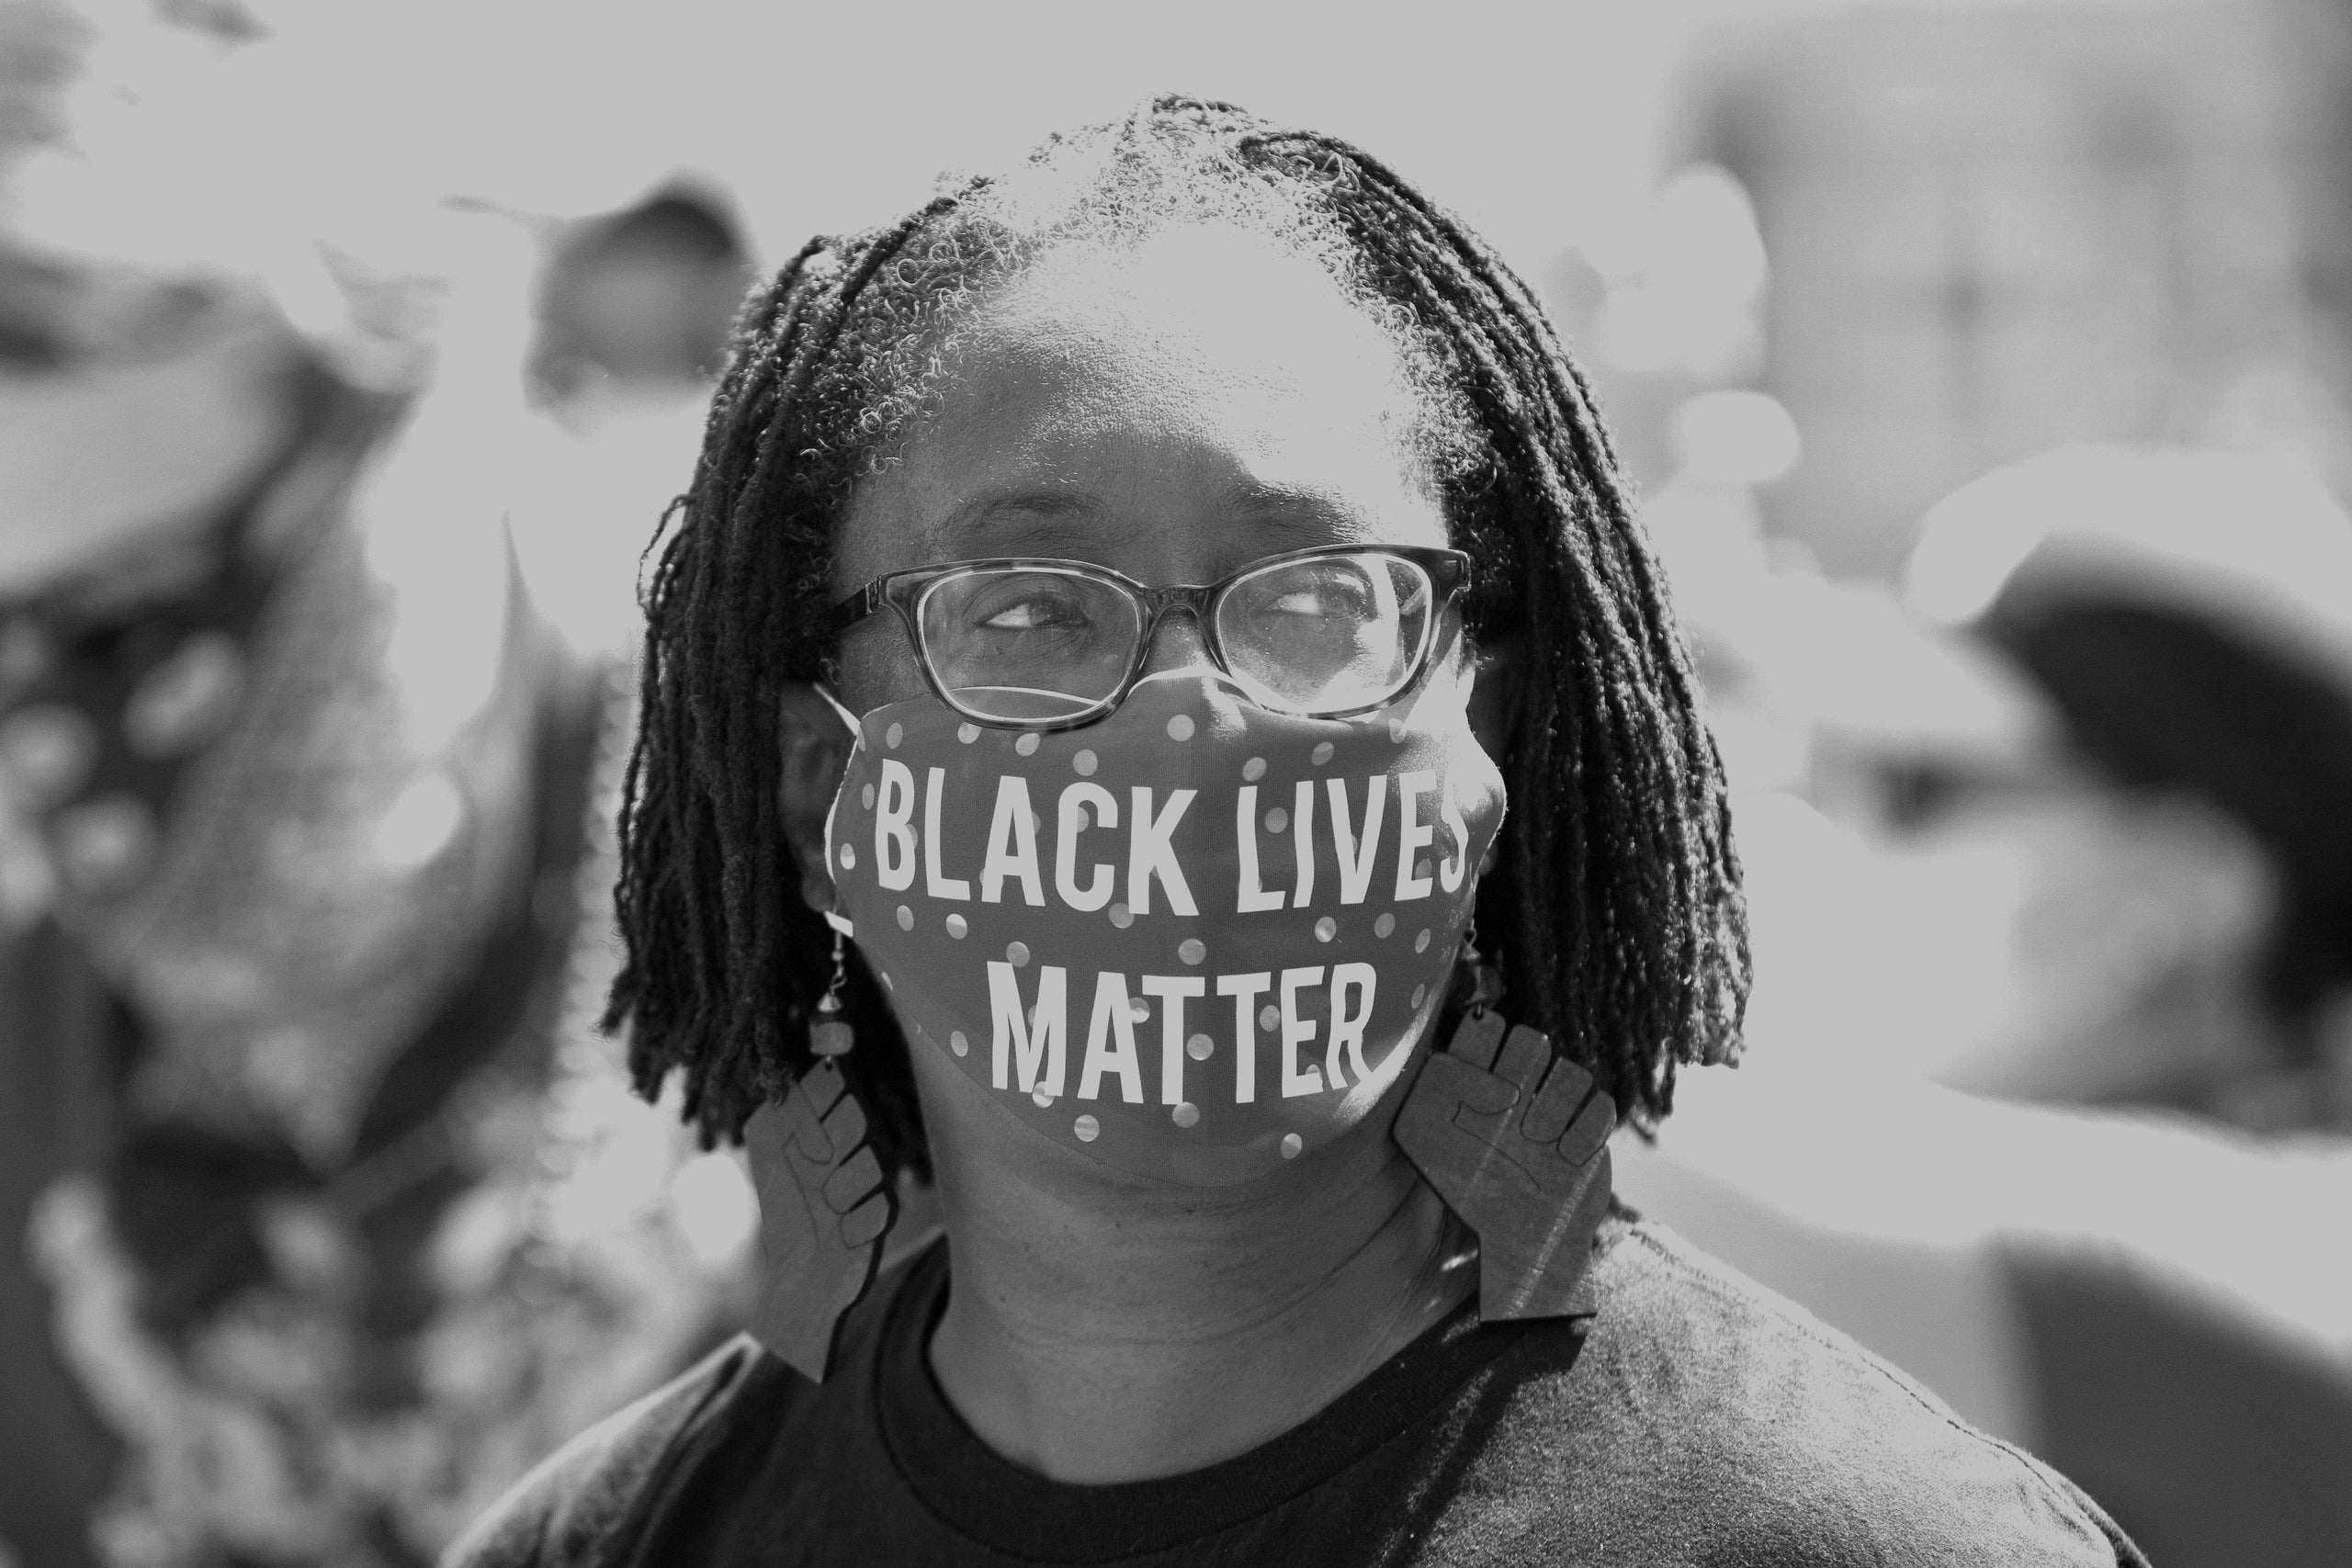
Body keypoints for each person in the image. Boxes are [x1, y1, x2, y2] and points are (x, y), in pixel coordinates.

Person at [449, 99, 2147, 1567]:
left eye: (1320, 598)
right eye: (1030, 612)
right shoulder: (625, 1543)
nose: (1192, 728)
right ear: (825, 797)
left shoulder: (1864, 1546)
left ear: (1486, 734)